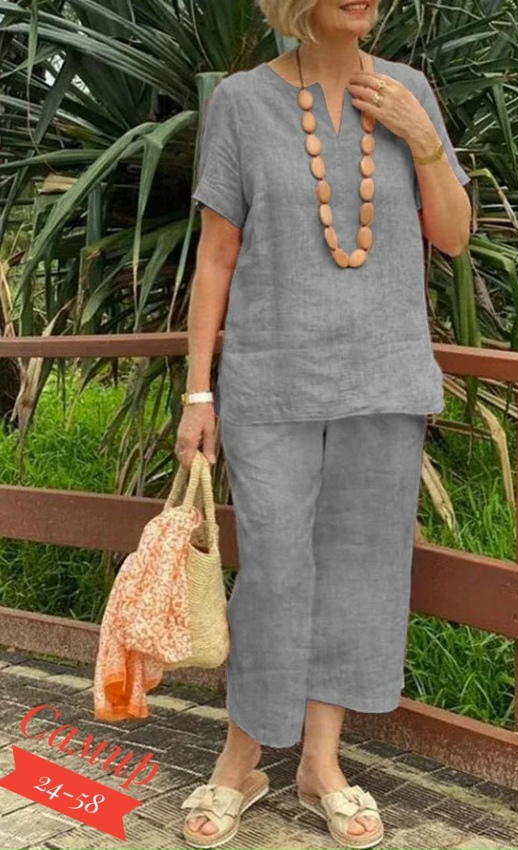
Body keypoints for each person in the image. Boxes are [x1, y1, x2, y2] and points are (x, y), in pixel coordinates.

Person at [175, 0, 471, 847]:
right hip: (271, 381)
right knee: (274, 568)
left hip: (385, 380)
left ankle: (321, 765)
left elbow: (453, 236)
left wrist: (421, 136)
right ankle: (240, 760)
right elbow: (216, 256)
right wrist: (198, 394)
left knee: (362, 573)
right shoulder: (242, 101)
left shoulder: (410, 91)